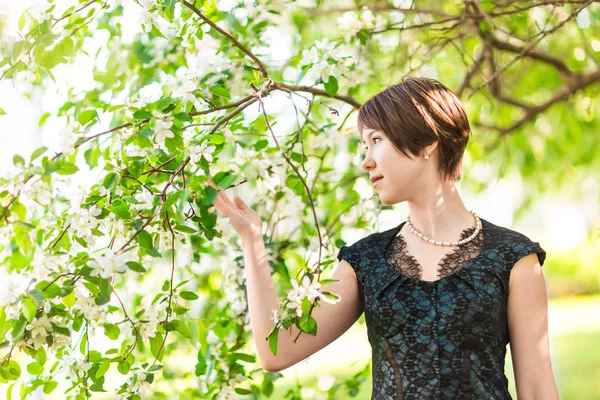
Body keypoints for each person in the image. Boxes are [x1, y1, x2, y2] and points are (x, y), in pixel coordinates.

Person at [206, 76, 559, 399]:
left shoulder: (513, 258)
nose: (366, 161)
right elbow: (277, 351)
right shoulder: (366, 261)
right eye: (364, 145)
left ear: (427, 143)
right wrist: (252, 241)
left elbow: (538, 388)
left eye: (376, 141)